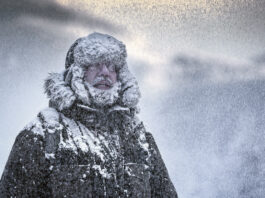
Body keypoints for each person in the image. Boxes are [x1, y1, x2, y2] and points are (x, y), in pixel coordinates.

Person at [0, 32, 178, 197]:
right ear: (76, 74)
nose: (105, 72)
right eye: (95, 65)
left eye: (112, 66)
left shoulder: (138, 137)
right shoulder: (43, 134)